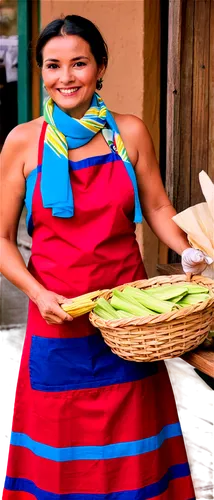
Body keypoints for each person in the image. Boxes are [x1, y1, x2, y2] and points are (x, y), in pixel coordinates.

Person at [1, 13, 209, 499]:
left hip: (127, 325)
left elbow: (157, 205)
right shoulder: (21, 143)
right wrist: (37, 292)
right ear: (41, 71)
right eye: (53, 66)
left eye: (79, 64)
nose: (65, 77)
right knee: (59, 460)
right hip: (56, 320)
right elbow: (3, 240)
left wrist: (189, 251)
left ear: (100, 68)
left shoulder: (129, 134)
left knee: (132, 458)